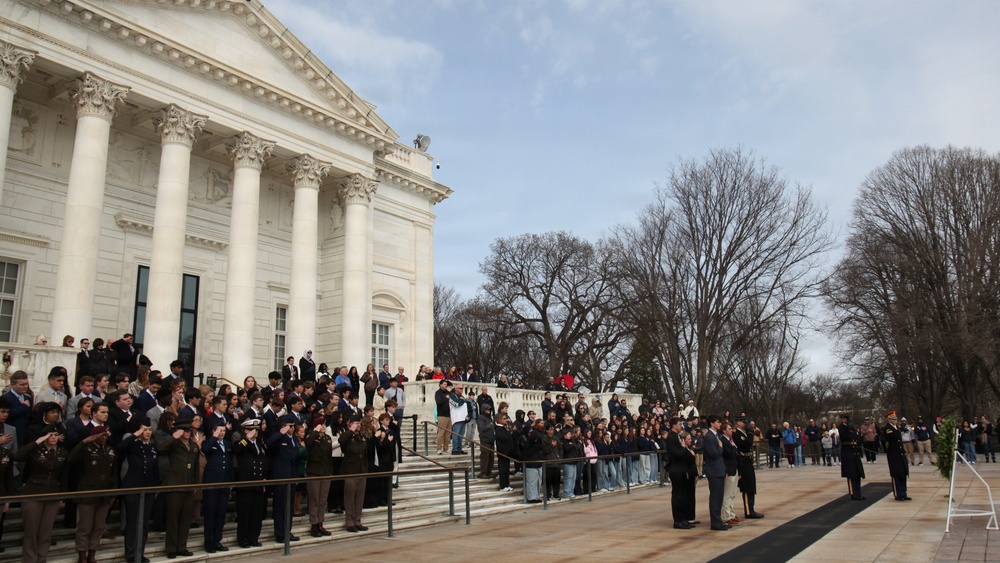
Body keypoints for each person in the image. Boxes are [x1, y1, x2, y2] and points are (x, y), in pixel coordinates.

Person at [16, 423, 68, 563]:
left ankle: (41, 559)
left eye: (56, 435)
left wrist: (63, 495)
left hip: (53, 493)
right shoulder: (35, 450)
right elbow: (17, 456)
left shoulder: (62, 452)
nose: (53, 438)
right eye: (50, 435)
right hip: (34, 492)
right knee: (31, 531)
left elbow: (64, 475)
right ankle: (29, 560)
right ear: (44, 436)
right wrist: (37, 442)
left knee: (46, 531)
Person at [69, 422, 116, 563]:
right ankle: (82, 554)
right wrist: (84, 442)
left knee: (99, 526)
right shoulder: (86, 449)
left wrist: (113, 493)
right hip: (87, 491)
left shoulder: (110, 450)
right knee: (84, 526)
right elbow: (71, 459)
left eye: (106, 435)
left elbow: (113, 474)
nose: (104, 438)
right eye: (101, 435)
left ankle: (92, 554)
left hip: (104, 492)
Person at [119, 418, 159, 563]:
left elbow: (155, 469)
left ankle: (140, 552)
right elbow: (121, 447)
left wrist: (155, 488)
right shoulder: (133, 445)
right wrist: (135, 434)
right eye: (144, 429)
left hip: (148, 487)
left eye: (149, 429)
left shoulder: (152, 447)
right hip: (133, 485)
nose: (147, 432)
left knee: (144, 523)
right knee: (133, 522)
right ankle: (130, 554)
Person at [158, 419, 199, 558]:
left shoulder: (193, 446)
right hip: (175, 484)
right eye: (185, 430)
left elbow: (195, 467)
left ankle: (182, 546)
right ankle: (171, 548)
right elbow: (160, 449)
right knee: (173, 518)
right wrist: (173, 437)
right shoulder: (174, 444)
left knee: (185, 519)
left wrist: (195, 484)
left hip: (188, 484)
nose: (187, 433)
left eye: (189, 430)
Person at [233, 419, 268, 548]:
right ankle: (243, 539)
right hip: (246, 484)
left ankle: (253, 538)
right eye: (252, 430)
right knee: (245, 514)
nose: (256, 432)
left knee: (256, 514)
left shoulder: (259, 444)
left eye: (257, 430)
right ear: (246, 431)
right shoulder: (242, 442)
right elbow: (236, 450)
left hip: (257, 484)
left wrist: (263, 480)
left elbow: (262, 462)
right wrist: (246, 438)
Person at [267, 415, 301, 543]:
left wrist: (296, 476)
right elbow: (269, 444)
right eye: (289, 426)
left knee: (288, 506)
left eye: (293, 426)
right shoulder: (279, 437)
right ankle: (280, 533)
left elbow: (295, 459)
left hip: (291, 476)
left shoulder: (293, 439)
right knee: (280, 506)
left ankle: (287, 530)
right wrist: (280, 434)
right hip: (281, 476)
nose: (291, 429)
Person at [201, 421, 234, 553]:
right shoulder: (209, 442)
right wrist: (214, 437)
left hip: (224, 481)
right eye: (219, 430)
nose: (222, 433)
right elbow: (205, 449)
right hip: (212, 482)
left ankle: (217, 540)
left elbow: (230, 463)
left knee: (221, 513)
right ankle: (209, 542)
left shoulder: (227, 444)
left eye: (224, 431)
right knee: (210, 513)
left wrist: (231, 481)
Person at [339, 414, 369, 532]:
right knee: (350, 497)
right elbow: (341, 441)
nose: (358, 425)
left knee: (359, 497)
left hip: (361, 470)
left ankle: (357, 520)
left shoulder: (361, 436)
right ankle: (349, 522)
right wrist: (350, 431)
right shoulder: (347, 436)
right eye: (356, 423)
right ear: (350, 424)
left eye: (359, 423)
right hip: (350, 470)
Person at [305, 416, 334, 537]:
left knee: (322, 500)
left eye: (324, 425)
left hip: (325, 471)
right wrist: (315, 431)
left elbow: (329, 455)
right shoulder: (312, 437)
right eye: (320, 425)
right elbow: (307, 443)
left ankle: (321, 523)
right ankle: (314, 524)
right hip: (314, 471)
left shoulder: (327, 438)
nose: (323, 427)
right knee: (314, 499)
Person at [733, 416, 764, 519]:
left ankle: (751, 509)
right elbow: (747, 444)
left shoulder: (744, 433)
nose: (744, 423)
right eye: (742, 421)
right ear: (737, 423)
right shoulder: (737, 434)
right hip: (743, 462)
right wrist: (750, 433)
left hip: (748, 461)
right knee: (746, 487)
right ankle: (748, 511)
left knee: (751, 486)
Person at [703, 414, 728, 531]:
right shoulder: (708, 437)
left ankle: (718, 520)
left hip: (719, 469)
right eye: (717, 422)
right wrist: (721, 448)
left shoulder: (715, 435)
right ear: (712, 423)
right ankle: (715, 522)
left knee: (719, 497)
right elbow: (713, 454)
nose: (719, 424)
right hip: (713, 470)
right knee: (715, 497)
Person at [881, 411, 911, 501]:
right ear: (889, 419)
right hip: (893, 453)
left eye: (896, 419)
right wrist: (899, 430)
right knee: (896, 474)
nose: (895, 421)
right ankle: (898, 494)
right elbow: (892, 437)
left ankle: (903, 492)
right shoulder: (887, 428)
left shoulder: (896, 428)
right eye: (893, 419)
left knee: (903, 473)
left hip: (900, 453)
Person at [839, 413, 866, 500]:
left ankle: (858, 492)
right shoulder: (842, 427)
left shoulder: (852, 427)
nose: (844, 420)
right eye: (843, 419)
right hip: (847, 451)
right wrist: (849, 429)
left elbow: (857, 437)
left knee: (857, 473)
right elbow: (845, 437)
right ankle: (853, 493)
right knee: (851, 474)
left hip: (855, 451)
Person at [3, 371, 32, 446]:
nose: (25, 386)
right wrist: (24, 407)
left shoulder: (28, 398)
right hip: (11, 436)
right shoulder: (6, 398)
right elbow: (8, 414)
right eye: (22, 384)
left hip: (25, 437)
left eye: (26, 384)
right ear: (13, 385)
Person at [434, 380, 453, 455]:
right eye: (444, 384)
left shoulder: (448, 393)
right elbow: (438, 402)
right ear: (440, 385)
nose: (445, 385)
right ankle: (439, 448)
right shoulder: (438, 393)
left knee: (448, 433)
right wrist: (446, 398)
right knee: (441, 432)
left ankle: (446, 448)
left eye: (446, 384)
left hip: (449, 415)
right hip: (442, 415)